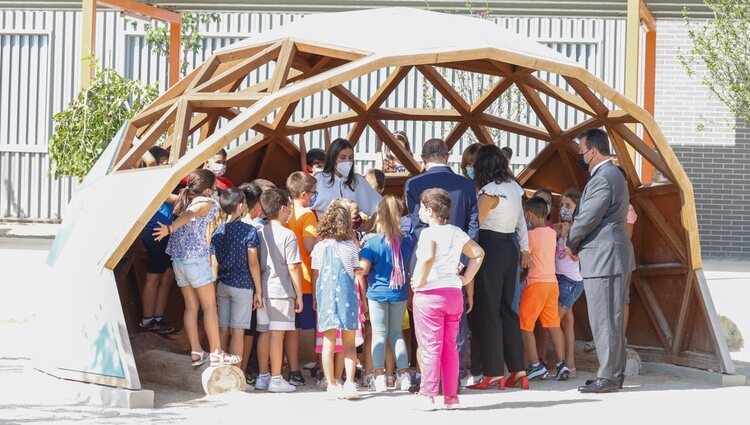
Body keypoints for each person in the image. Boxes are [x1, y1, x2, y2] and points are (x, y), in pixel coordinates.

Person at [403, 138, 479, 386]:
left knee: (426, 329)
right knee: (455, 326)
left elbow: (416, 227)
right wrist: (461, 260)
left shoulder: (413, 184)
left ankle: (428, 380)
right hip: (457, 261)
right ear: (448, 156)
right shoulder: (467, 185)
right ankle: (453, 380)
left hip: (426, 262)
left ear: (423, 159)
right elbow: (473, 227)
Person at [567, 128, 635, 394]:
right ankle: (611, 374)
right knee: (611, 319)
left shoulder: (604, 177)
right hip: (610, 257)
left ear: (593, 151)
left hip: (604, 257)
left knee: (605, 319)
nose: (580, 156)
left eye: (582, 151)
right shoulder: (612, 175)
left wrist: (571, 242)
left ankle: (608, 377)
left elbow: (587, 218)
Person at [153, 169, 240, 367]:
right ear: (208, 190)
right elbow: (191, 214)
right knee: (209, 307)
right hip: (196, 260)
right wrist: (170, 228)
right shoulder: (205, 203)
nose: (217, 190)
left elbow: (175, 201)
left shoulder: (186, 198)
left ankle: (196, 351)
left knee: (191, 307)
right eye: (215, 187)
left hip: (179, 261)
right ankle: (217, 352)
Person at [411, 188, 485, 411]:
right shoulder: (456, 232)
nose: (421, 212)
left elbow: (427, 257)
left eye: (423, 208)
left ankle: (429, 394)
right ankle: (451, 396)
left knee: (430, 347)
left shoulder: (427, 233)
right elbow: (478, 253)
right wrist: (465, 278)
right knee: (450, 347)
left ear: (430, 211)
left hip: (430, 294)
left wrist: (418, 281)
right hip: (453, 294)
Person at [467, 144, 529, 391]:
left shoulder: (488, 192)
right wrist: (525, 249)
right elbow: (522, 222)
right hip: (509, 249)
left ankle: (493, 372)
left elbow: (475, 225)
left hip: (489, 248)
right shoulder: (514, 188)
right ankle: (518, 370)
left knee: (488, 311)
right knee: (507, 310)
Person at [358, 196, 414, 392]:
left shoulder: (372, 242)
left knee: (379, 335)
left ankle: (379, 376)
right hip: (399, 293)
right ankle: (403, 374)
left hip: (377, 294)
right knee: (397, 334)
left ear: (379, 217)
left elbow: (363, 269)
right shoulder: (406, 240)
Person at [311, 203, 364, 400]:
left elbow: (315, 275)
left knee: (328, 343)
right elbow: (356, 273)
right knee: (349, 344)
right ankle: (350, 383)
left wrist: (316, 299)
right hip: (348, 299)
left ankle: (331, 384)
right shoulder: (350, 247)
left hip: (326, 298)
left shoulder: (318, 248)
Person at [254, 188, 304, 393]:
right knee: (278, 334)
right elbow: (293, 267)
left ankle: (263, 376)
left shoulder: (258, 231)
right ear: (284, 208)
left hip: (262, 289)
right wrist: (299, 294)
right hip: (281, 290)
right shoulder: (288, 235)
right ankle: (276, 378)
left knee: (264, 333)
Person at [210, 188, 263, 369]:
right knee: (238, 331)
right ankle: (236, 375)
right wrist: (259, 290)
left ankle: (220, 370)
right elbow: (253, 263)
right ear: (241, 206)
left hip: (222, 284)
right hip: (243, 285)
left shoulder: (217, 231)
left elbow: (214, 263)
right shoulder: (249, 231)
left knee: (223, 328)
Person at [520, 197, 570, 381]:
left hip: (536, 284)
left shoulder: (530, 236)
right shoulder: (551, 234)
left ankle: (535, 365)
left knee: (525, 326)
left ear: (529, 214)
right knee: (553, 325)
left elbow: (525, 260)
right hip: (552, 284)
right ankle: (561, 364)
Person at [284, 171, 320, 386]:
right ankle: (319, 364)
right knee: (315, 326)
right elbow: (308, 245)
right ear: (304, 194)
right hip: (306, 279)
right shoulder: (308, 214)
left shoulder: (285, 212)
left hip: (286, 278)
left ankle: (292, 367)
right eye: (313, 193)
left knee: (291, 328)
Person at [139, 146, 176, 334]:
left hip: (167, 232)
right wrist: (137, 140)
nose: (169, 166)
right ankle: (147, 319)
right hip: (154, 231)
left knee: (167, 276)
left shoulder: (166, 182)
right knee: (153, 277)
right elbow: (151, 162)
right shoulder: (152, 179)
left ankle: (158, 318)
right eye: (166, 163)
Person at [310, 138, 382, 217]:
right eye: (343, 157)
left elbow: (380, 206)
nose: (347, 161)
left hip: (351, 229)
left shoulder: (358, 181)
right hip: (323, 228)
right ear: (332, 158)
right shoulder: (319, 179)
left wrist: (369, 224)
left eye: (350, 158)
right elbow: (303, 205)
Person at [555, 189, 584, 377]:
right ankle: (570, 365)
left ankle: (562, 365)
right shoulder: (561, 227)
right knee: (567, 322)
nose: (564, 209)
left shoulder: (579, 229)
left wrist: (565, 236)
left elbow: (575, 257)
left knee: (553, 321)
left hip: (571, 281)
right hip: (558, 277)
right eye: (562, 206)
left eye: (568, 206)